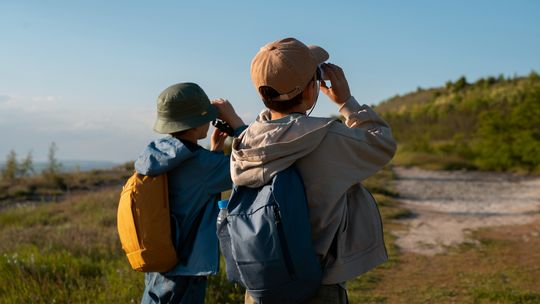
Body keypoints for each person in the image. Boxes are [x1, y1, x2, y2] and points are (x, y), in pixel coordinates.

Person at [230, 38, 397, 303]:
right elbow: (382, 143)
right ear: (310, 91)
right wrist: (346, 102)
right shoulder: (327, 137)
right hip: (318, 285)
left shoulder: (245, 142)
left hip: (262, 285)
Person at [135, 82, 245, 304]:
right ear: (195, 125)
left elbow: (192, 184)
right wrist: (237, 125)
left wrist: (213, 152)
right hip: (186, 272)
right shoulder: (204, 165)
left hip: (159, 266)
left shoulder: (156, 153)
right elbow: (252, 162)